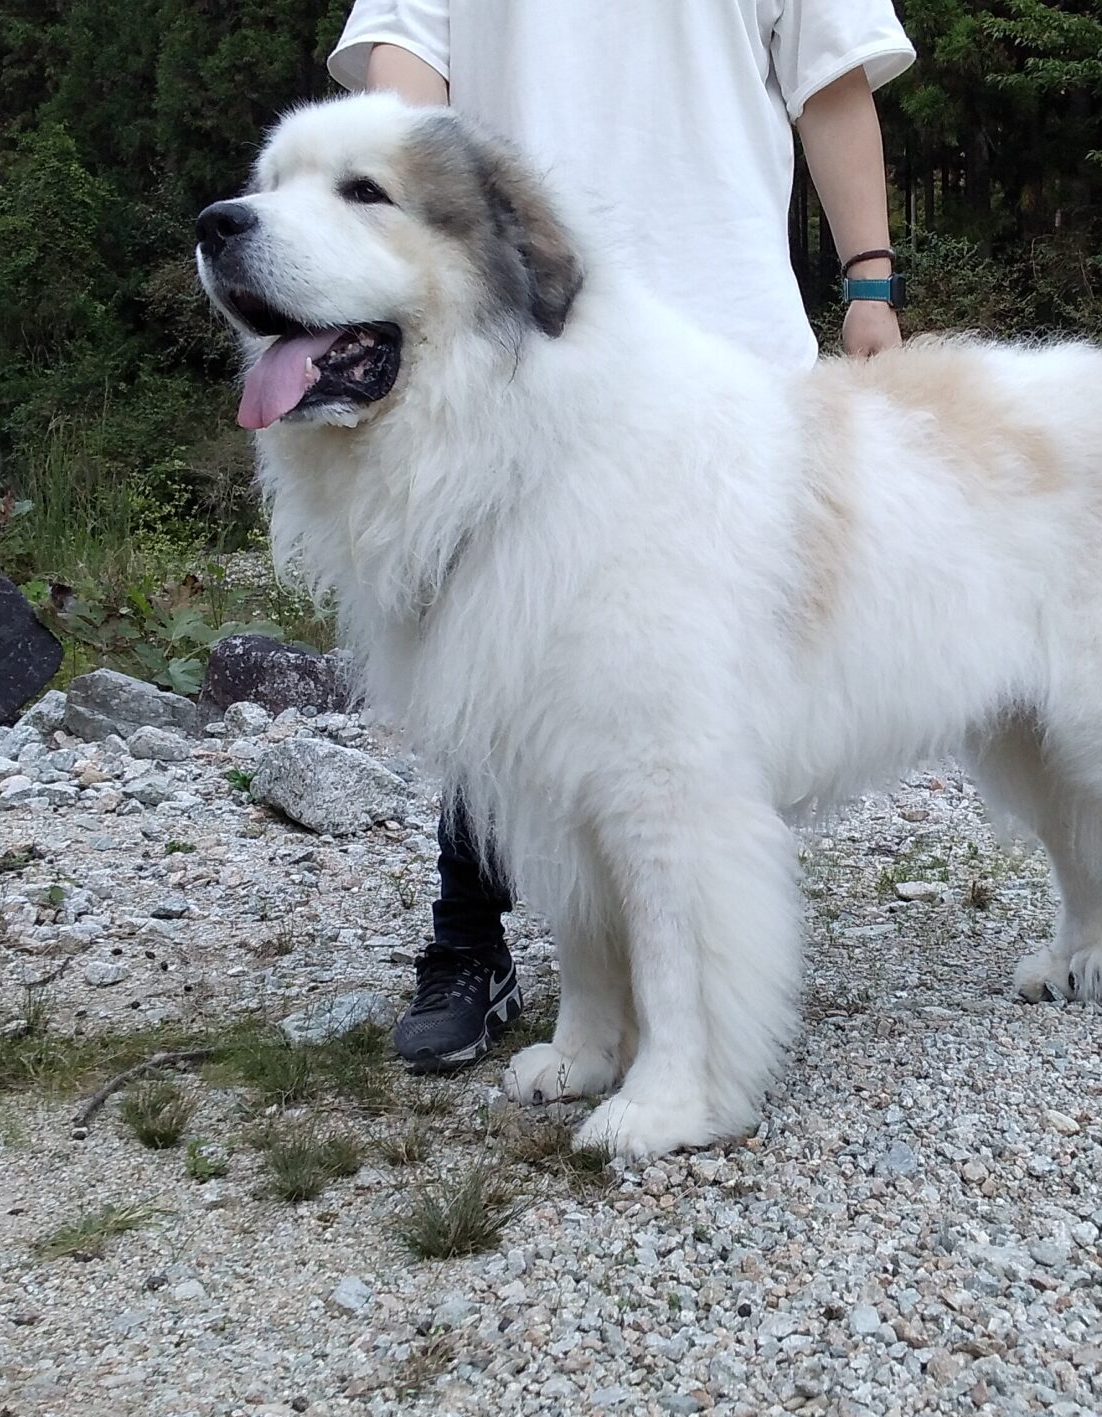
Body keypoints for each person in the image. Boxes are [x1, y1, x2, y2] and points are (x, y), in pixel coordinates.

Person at [324, 1, 915, 1068]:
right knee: (486, 659)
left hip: (719, 336)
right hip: (528, 328)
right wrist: (393, 208)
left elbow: (830, 81)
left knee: (679, 737)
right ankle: (476, 946)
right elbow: (402, 62)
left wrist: (868, 281)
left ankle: (691, 1013)